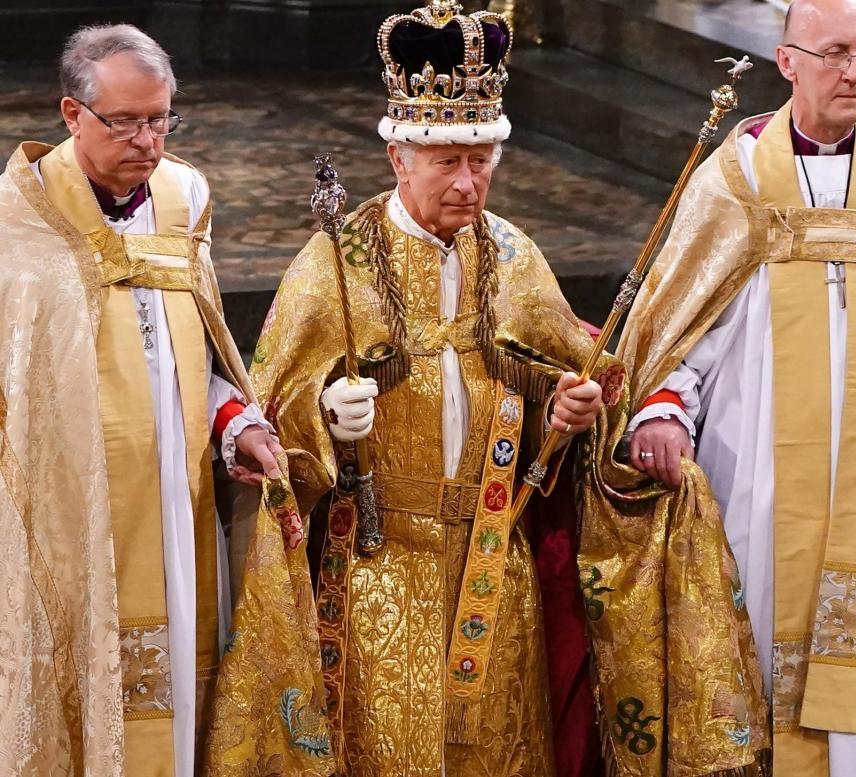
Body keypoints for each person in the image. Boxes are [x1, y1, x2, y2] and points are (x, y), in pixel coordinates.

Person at [581, 0, 856, 773]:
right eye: (834, 54)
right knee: (756, 629)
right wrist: (663, 404)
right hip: (754, 463)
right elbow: (685, 312)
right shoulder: (739, 175)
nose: (854, 72)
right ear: (787, 60)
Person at [242, 2, 605, 774]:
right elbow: (264, 412)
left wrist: (565, 411)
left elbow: (566, 371)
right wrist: (321, 416)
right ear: (399, 158)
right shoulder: (336, 264)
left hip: (491, 563)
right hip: (377, 557)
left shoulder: (516, 256)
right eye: (447, 160)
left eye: (482, 158)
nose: (470, 182)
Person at [0, 23, 281, 776]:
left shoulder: (184, 197)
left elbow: (198, 347)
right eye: (123, 122)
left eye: (159, 118)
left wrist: (236, 427)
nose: (147, 141)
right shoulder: (19, 220)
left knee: (184, 685)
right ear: (71, 114)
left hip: (178, 507)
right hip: (77, 522)